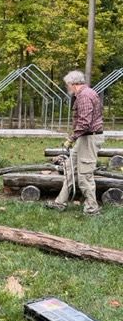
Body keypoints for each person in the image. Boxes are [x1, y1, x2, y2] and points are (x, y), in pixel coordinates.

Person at [46, 70, 104, 215]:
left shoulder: (84, 96)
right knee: (70, 170)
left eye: (68, 85)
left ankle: (92, 208)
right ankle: (60, 202)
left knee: (85, 175)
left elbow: (84, 123)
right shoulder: (86, 93)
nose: (68, 88)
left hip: (88, 138)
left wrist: (71, 139)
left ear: (73, 84)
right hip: (84, 137)